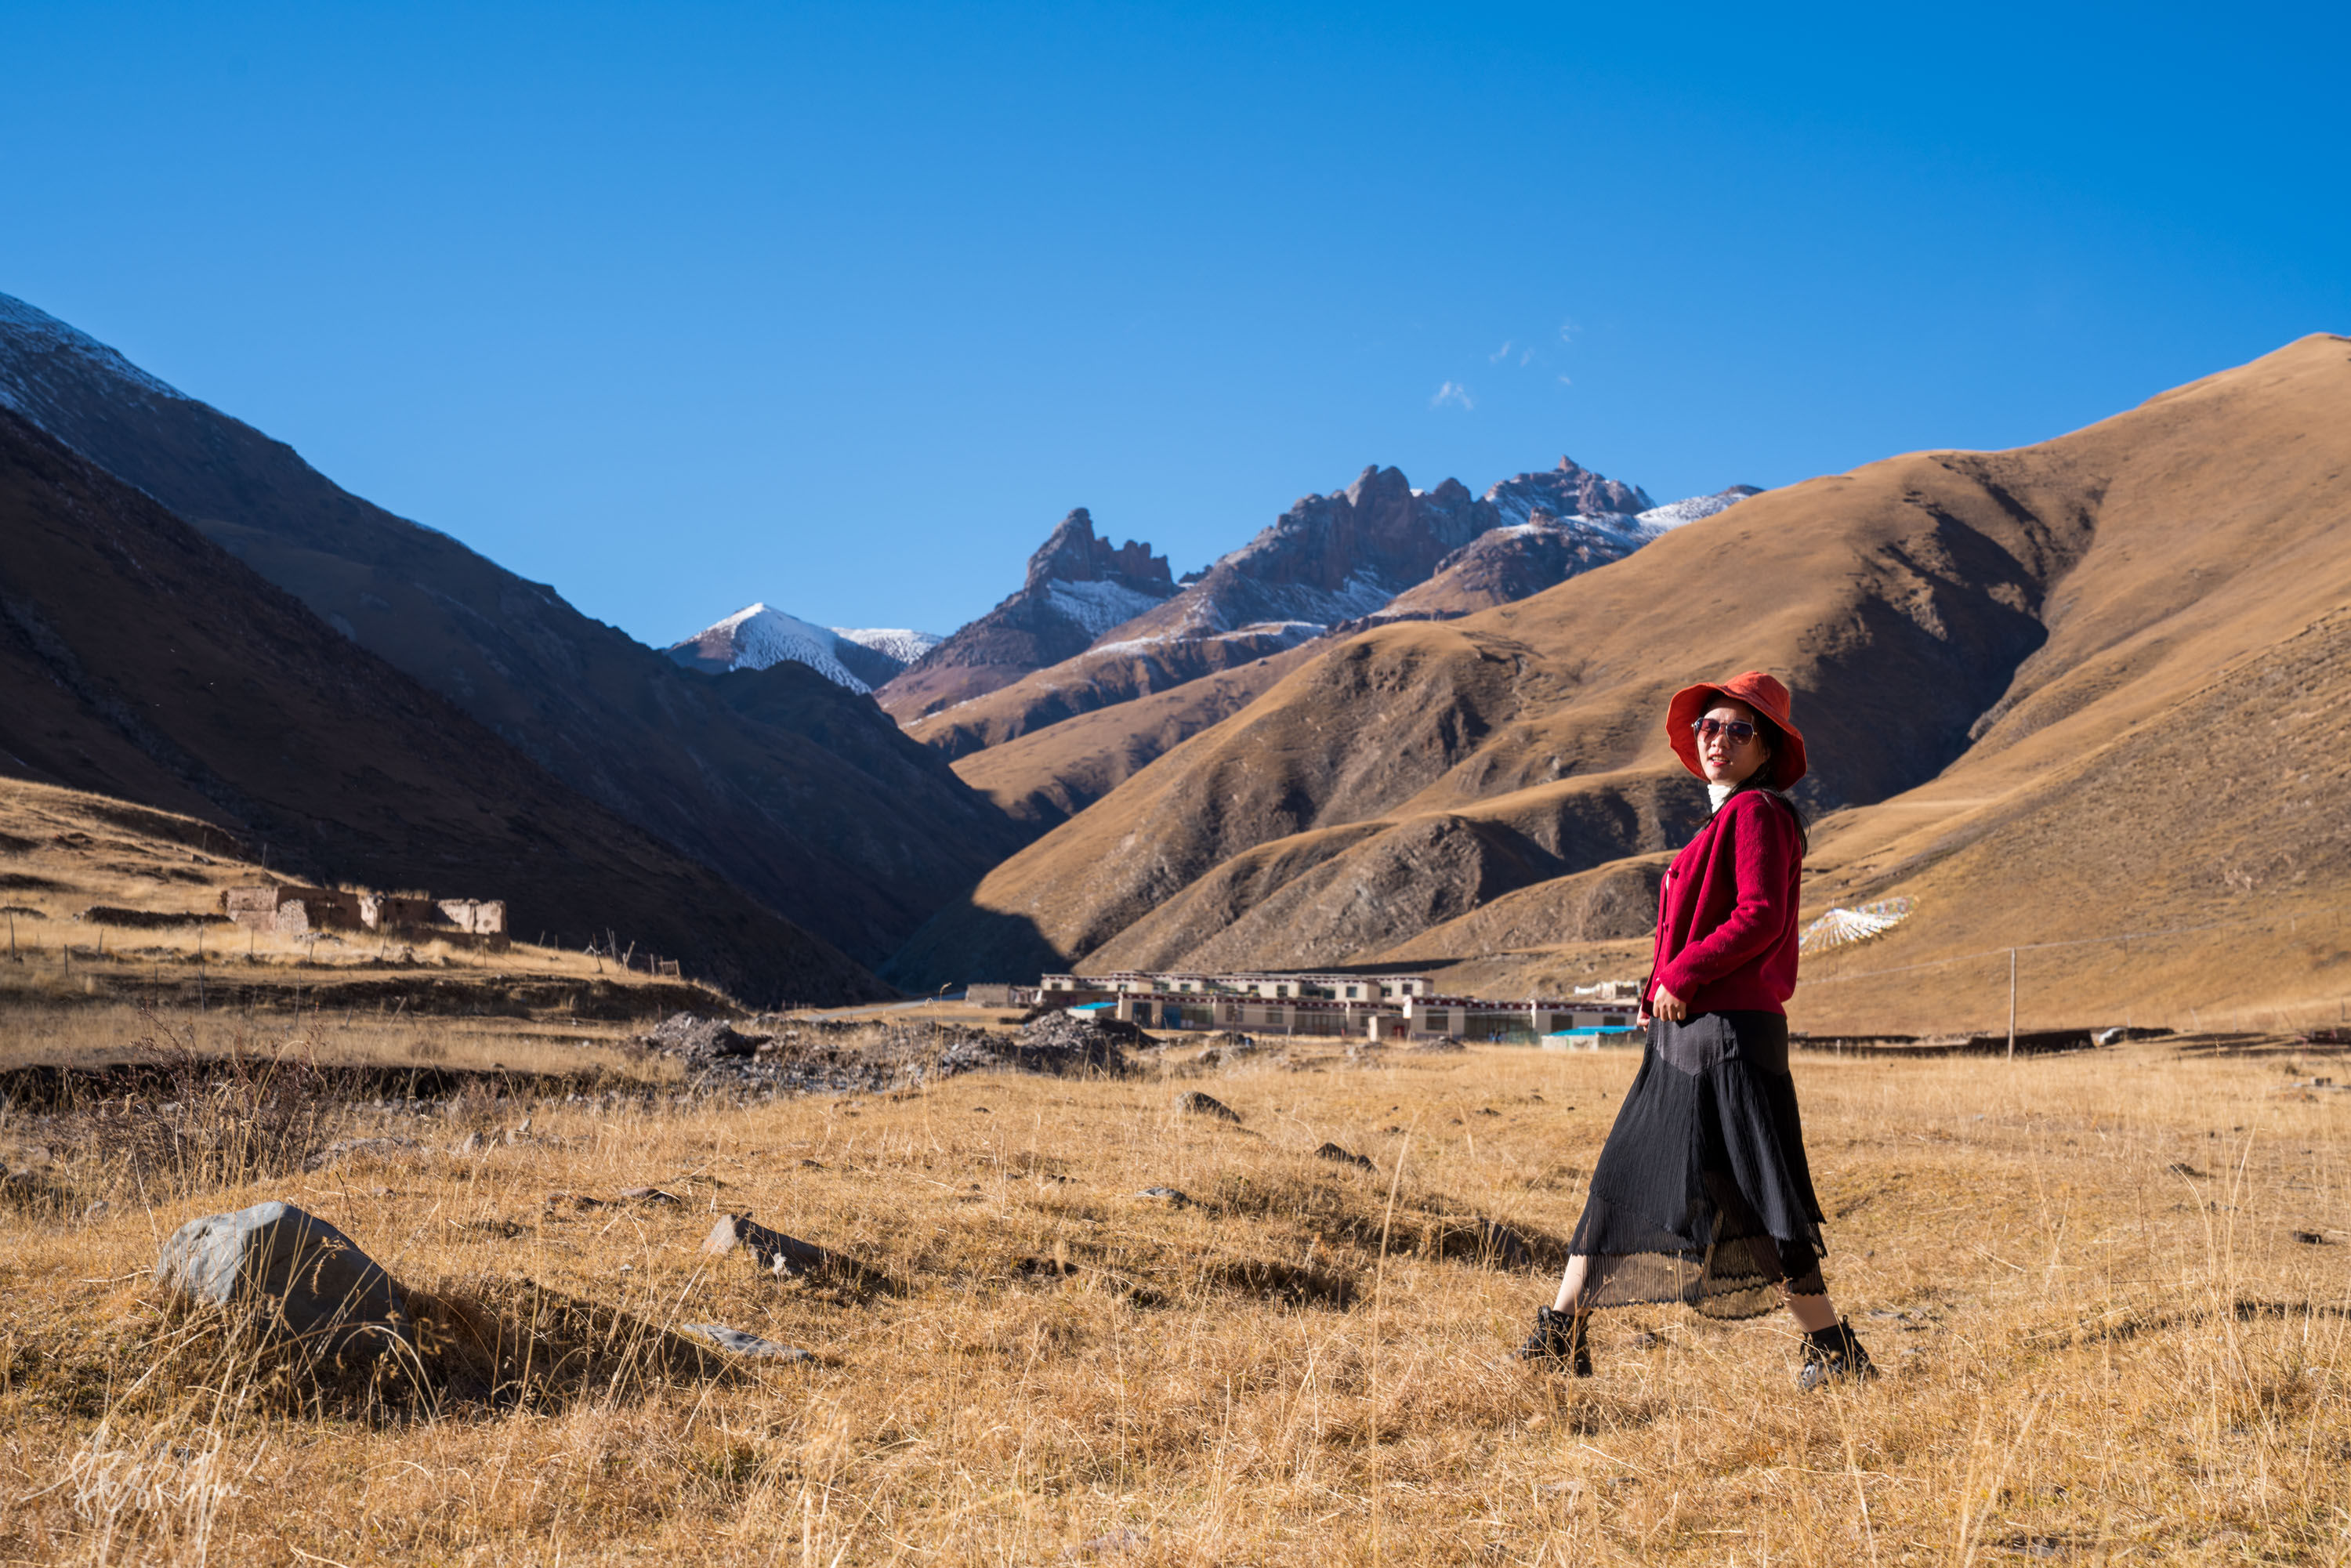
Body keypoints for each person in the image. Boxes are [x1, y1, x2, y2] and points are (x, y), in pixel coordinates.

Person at [1516, 671, 1876, 1389]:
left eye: (1739, 730)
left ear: (1766, 748)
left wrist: (1682, 976)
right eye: (1710, 726)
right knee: (1626, 1180)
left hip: (1730, 1036)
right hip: (1689, 1038)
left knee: (1757, 1194)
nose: (1719, 739)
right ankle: (1561, 1331)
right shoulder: (1723, 821)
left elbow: (1760, 915)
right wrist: (1660, 989)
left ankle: (1836, 1350)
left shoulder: (1759, 815)